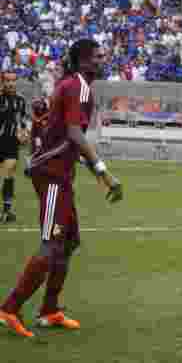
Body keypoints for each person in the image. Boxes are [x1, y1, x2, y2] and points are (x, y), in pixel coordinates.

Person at [1, 40, 124, 339]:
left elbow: (71, 136)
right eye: (97, 56)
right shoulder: (78, 86)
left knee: (68, 241)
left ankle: (50, 310)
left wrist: (90, 166)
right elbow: (74, 133)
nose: (102, 60)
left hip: (59, 172)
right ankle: (9, 309)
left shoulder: (74, 85)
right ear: (83, 61)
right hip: (52, 174)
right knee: (52, 242)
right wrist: (104, 173)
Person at [0, 70, 29, 223]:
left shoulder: (21, 100)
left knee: (9, 173)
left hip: (11, 142)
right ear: (2, 82)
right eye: (7, 80)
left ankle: (6, 211)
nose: (10, 83)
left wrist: (24, 133)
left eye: (13, 80)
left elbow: (23, 121)